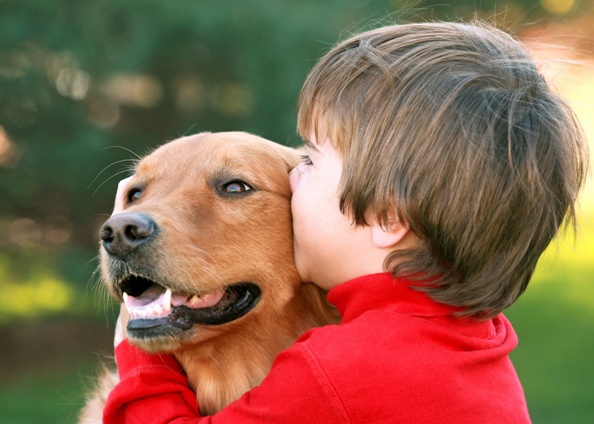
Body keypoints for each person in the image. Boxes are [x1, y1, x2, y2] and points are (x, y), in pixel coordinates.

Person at [103, 21, 589, 423]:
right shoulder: (472, 338)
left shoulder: (342, 370)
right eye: (138, 193)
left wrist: (140, 357)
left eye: (310, 161)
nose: (127, 221)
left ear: (387, 215)